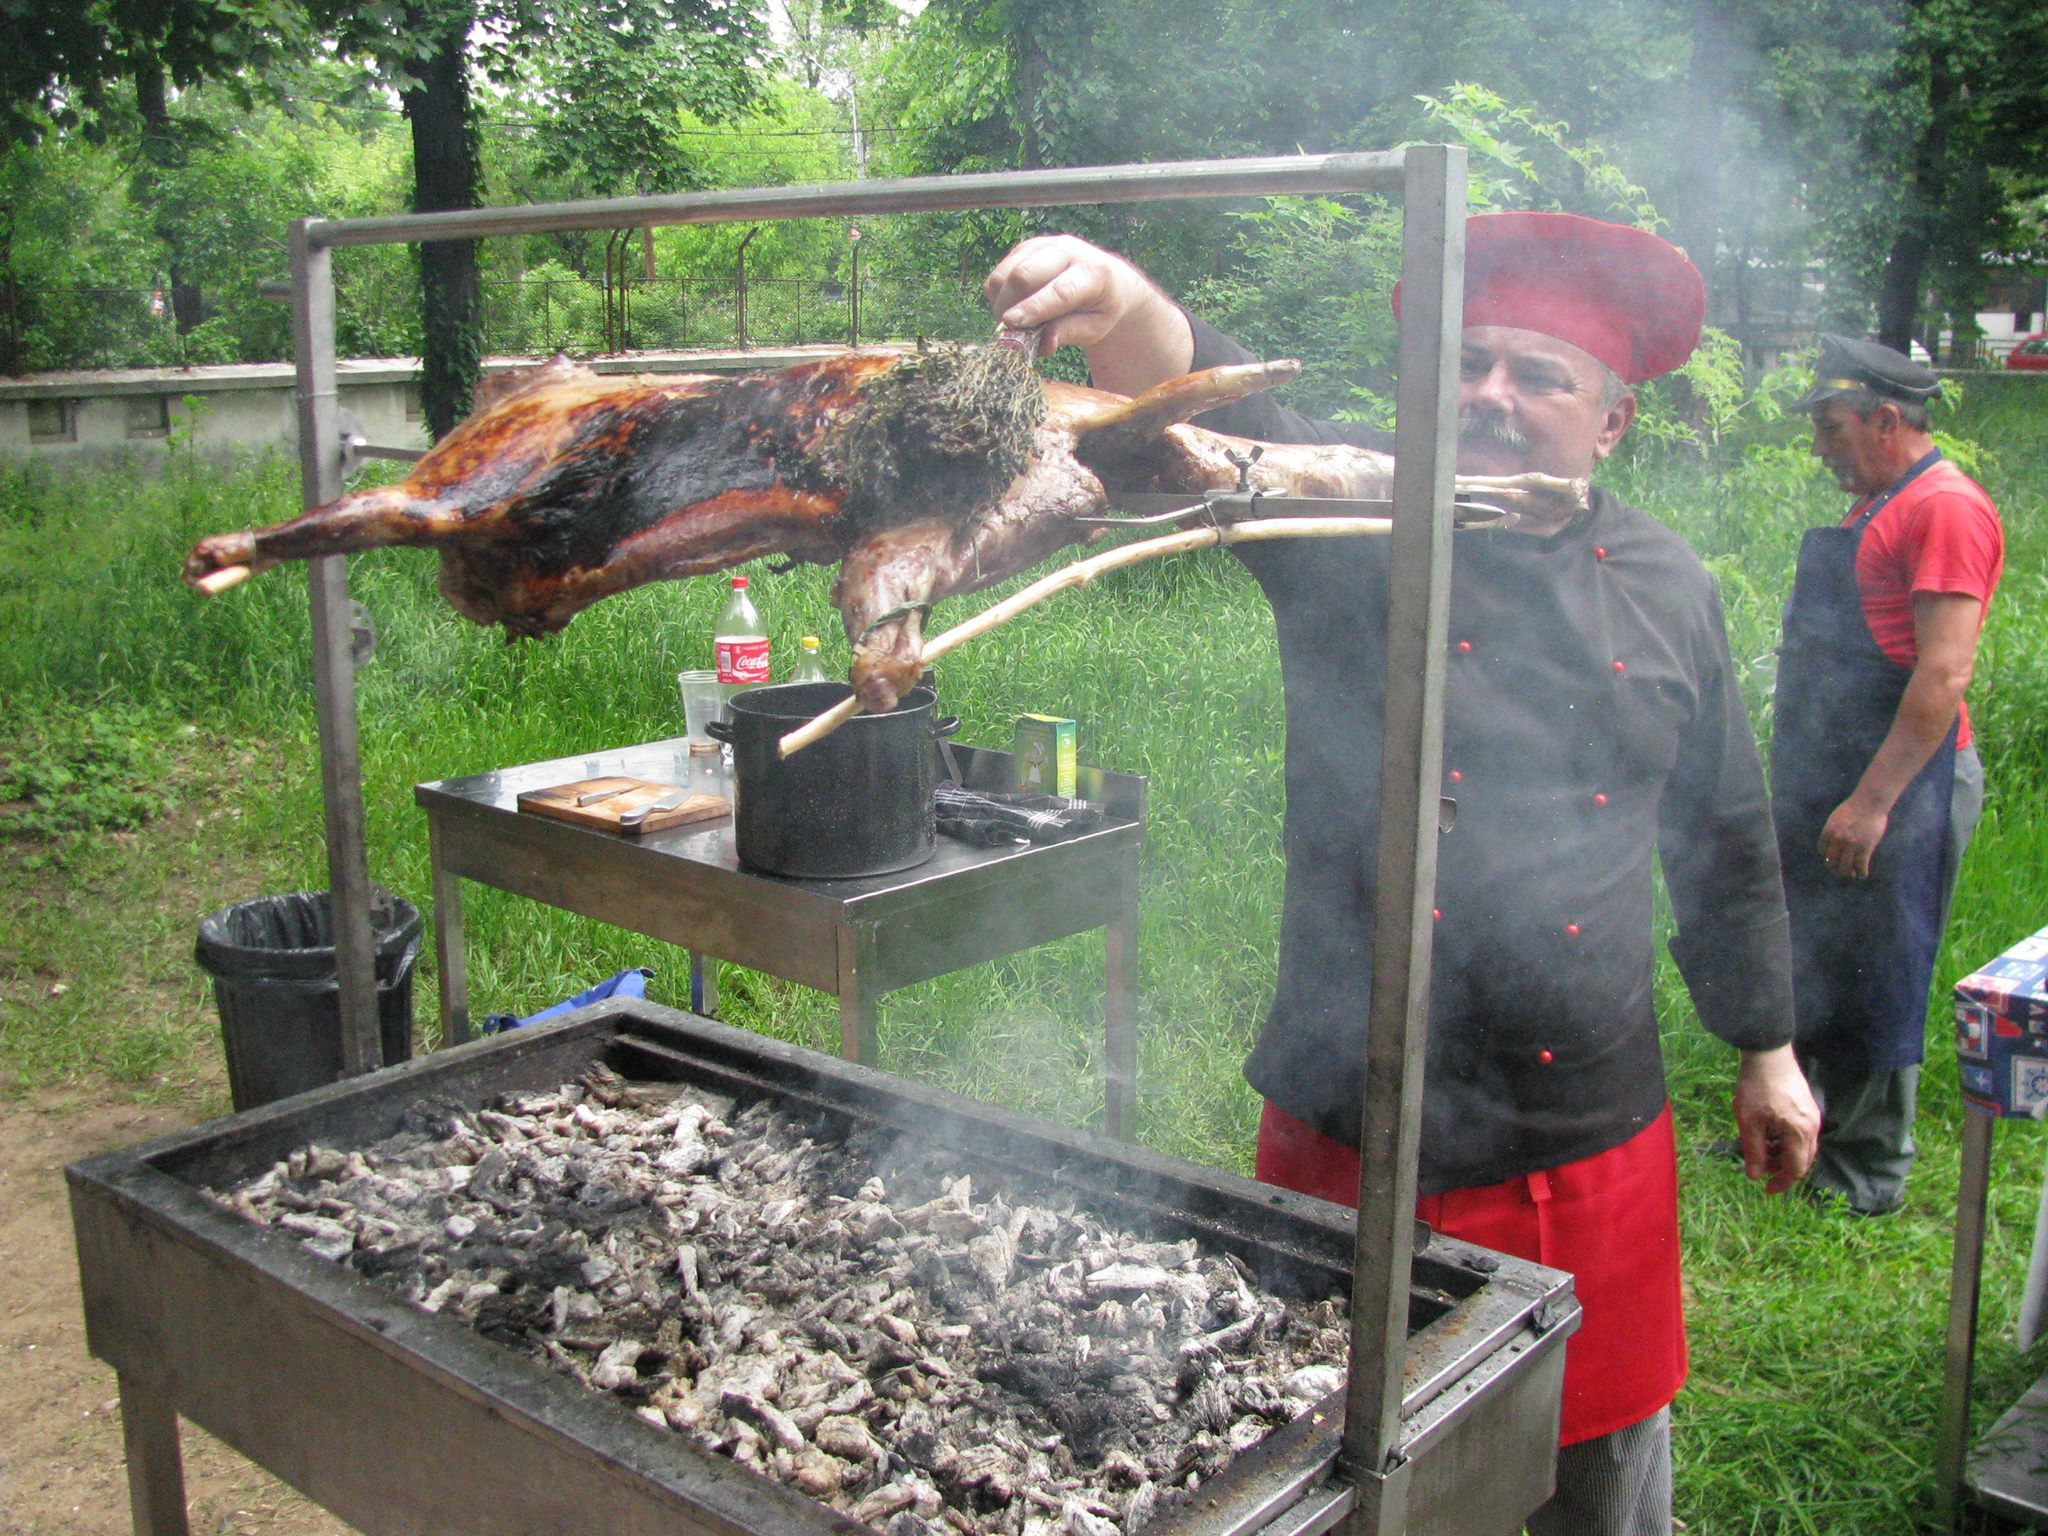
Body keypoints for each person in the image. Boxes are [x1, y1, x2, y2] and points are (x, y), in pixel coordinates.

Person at [985, 212, 1821, 1536]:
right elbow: (1218, 411)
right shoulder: (1353, 516)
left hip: (1585, 1132)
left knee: (1590, 1477)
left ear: (1613, 422)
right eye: (1470, 363)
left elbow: (1723, 824)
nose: (1492, 394)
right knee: (1331, 1468)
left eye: (1539, 375)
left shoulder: (1667, 582)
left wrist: (1767, 1046)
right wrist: (1123, 294)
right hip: (1354, 1113)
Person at [1775, 336, 2005, 1216]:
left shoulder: (1944, 507)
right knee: (1828, 956)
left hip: (1905, 782)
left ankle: (1868, 1170)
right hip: (1840, 768)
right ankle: (1809, 1129)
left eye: (1833, 428)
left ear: (1885, 419)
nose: (1821, 447)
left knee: (1882, 965)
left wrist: (1874, 802)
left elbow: (1942, 674)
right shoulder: (1878, 506)